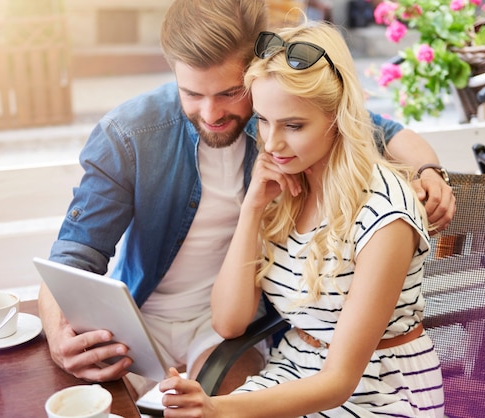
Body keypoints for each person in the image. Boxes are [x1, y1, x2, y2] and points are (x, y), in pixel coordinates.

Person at [38, 0, 454, 398]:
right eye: (192, 94)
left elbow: (387, 132)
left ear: (255, 67)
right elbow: (73, 255)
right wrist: (58, 336)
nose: (211, 113)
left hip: (230, 326)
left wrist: (429, 173)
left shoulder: (283, 115)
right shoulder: (130, 134)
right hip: (139, 316)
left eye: (228, 92)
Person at [159, 22, 444, 417]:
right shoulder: (287, 187)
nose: (271, 144)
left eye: (293, 125)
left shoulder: (385, 215)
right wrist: (252, 209)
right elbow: (228, 323)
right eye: (262, 120)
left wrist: (219, 409)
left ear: (337, 117)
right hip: (293, 373)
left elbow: (339, 382)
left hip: (377, 394)